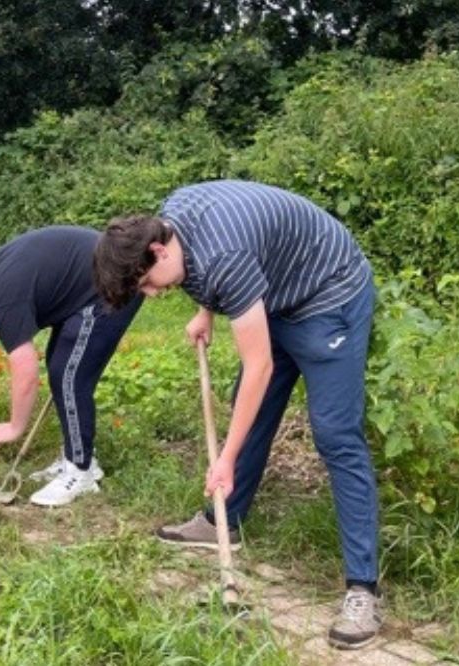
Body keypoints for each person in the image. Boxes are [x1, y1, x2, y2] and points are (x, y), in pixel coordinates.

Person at [92, 180, 381, 649]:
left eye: (145, 282)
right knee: (252, 409)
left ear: (158, 251)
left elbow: (258, 362)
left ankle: (363, 588)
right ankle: (222, 520)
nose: (149, 294)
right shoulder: (173, 219)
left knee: (335, 434)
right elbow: (216, 264)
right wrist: (207, 311)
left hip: (330, 295)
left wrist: (223, 458)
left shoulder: (226, 259)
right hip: (280, 295)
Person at [0, 226, 142, 507]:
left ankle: (81, 470)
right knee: (61, 367)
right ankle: (73, 456)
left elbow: (26, 371)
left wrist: (16, 426)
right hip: (89, 287)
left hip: (112, 287)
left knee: (70, 377)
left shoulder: (3, 298)